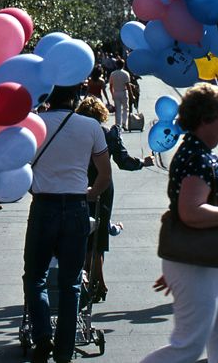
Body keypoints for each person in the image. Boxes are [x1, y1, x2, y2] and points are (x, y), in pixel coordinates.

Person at [141, 83, 218, 363]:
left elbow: (180, 212)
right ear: (204, 120)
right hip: (198, 262)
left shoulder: (199, 153)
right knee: (188, 346)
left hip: (205, 260)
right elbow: (191, 212)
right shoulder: (196, 157)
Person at [23, 85, 112, 363]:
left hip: (44, 204)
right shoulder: (91, 126)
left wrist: (35, 189)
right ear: (74, 98)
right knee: (70, 283)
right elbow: (104, 173)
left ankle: (42, 338)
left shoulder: (35, 125)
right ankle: (63, 350)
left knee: (35, 277)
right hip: (76, 206)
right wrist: (92, 193)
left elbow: (21, 166)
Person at [75, 96, 153, 302]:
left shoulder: (75, 135)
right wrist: (143, 163)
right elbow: (124, 161)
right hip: (103, 184)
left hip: (78, 184)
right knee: (98, 238)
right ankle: (98, 283)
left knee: (83, 236)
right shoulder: (107, 134)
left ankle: (89, 281)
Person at [108, 58, 131, 129]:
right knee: (125, 108)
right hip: (123, 92)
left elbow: (111, 86)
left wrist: (112, 94)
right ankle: (124, 123)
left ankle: (118, 124)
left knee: (117, 110)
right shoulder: (126, 74)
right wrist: (131, 94)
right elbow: (127, 85)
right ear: (123, 65)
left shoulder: (112, 74)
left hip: (116, 92)